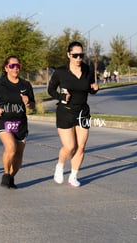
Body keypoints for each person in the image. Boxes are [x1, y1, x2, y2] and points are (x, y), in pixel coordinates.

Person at [47, 41, 99, 187]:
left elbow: (90, 88)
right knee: (70, 147)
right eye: (75, 55)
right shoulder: (60, 72)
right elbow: (50, 90)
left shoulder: (87, 70)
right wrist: (61, 97)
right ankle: (60, 166)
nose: (78, 58)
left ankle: (73, 176)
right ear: (68, 55)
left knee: (81, 146)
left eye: (81, 55)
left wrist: (94, 88)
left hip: (83, 111)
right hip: (65, 112)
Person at [0, 55, 35, 189]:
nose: (15, 68)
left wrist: (28, 102)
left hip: (21, 123)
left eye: (17, 66)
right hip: (3, 121)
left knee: (19, 154)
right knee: (11, 147)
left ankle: (11, 177)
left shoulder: (25, 85)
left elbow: (32, 105)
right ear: (6, 68)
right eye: (12, 66)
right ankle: (6, 174)